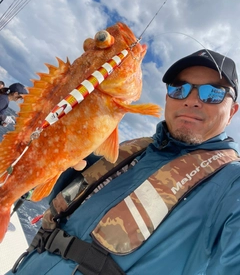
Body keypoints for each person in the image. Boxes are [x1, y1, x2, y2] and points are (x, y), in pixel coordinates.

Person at [7, 49, 240, 275]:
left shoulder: (232, 184)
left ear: (232, 112)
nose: (191, 100)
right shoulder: (135, 149)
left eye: (213, 93)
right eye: (179, 89)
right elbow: (62, 197)